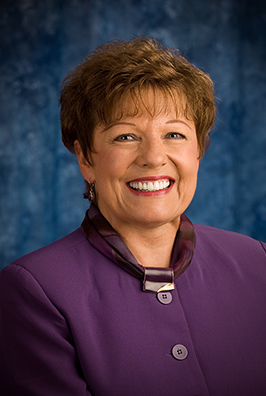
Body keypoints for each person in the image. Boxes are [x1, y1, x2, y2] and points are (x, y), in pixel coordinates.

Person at [0, 37, 266, 396]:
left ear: (198, 150)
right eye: (125, 136)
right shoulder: (33, 291)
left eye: (174, 134)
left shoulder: (257, 262)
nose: (154, 157)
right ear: (85, 159)